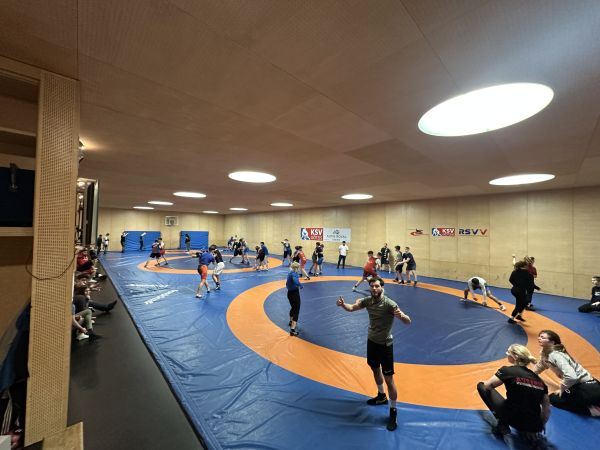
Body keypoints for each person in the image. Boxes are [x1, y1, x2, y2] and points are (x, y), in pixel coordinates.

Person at [336, 277, 411, 431]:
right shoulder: (368, 301)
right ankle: (381, 396)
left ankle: (393, 411)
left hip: (385, 345)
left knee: (389, 379)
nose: (374, 289)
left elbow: (408, 321)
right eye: (372, 286)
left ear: (382, 287)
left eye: (377, 286)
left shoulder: (390, 304)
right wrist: (343, 305)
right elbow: (352, 308)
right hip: (372, 342)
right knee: (375, 369)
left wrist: (402, 316)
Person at [477, 344, 550, 443]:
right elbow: (546, 410)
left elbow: (487, 386)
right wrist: (539, 426)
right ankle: (528, 429)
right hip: (532, 426)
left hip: (512, 418)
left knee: (481, 386)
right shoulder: (540, 381)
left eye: (508, 352)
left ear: (515, 357)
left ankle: (502, 423)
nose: (506, 354)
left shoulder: (507, 371)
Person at [533, 330, 600, 416]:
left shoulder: (555, 355)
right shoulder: (545, 352)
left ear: (552, 342)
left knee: (553, 399)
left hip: (586, 387)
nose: (539, 338)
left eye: (543, 337)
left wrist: (562, 388)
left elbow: (572, 377)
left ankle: (593, 411)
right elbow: (542, 364)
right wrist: (532, 374)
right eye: (539, 336)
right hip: (592, 384)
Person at [286, 262, 303, 336]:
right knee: (296, 310)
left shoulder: (289, 273)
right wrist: (300, 285)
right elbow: (295, 281)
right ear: (297, 268)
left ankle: (290, 321)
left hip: (289, 293)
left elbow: (287, 283)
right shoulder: (294, 274)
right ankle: (292, 330)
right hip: (294, 294)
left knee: (293, 308)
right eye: (299, 267)